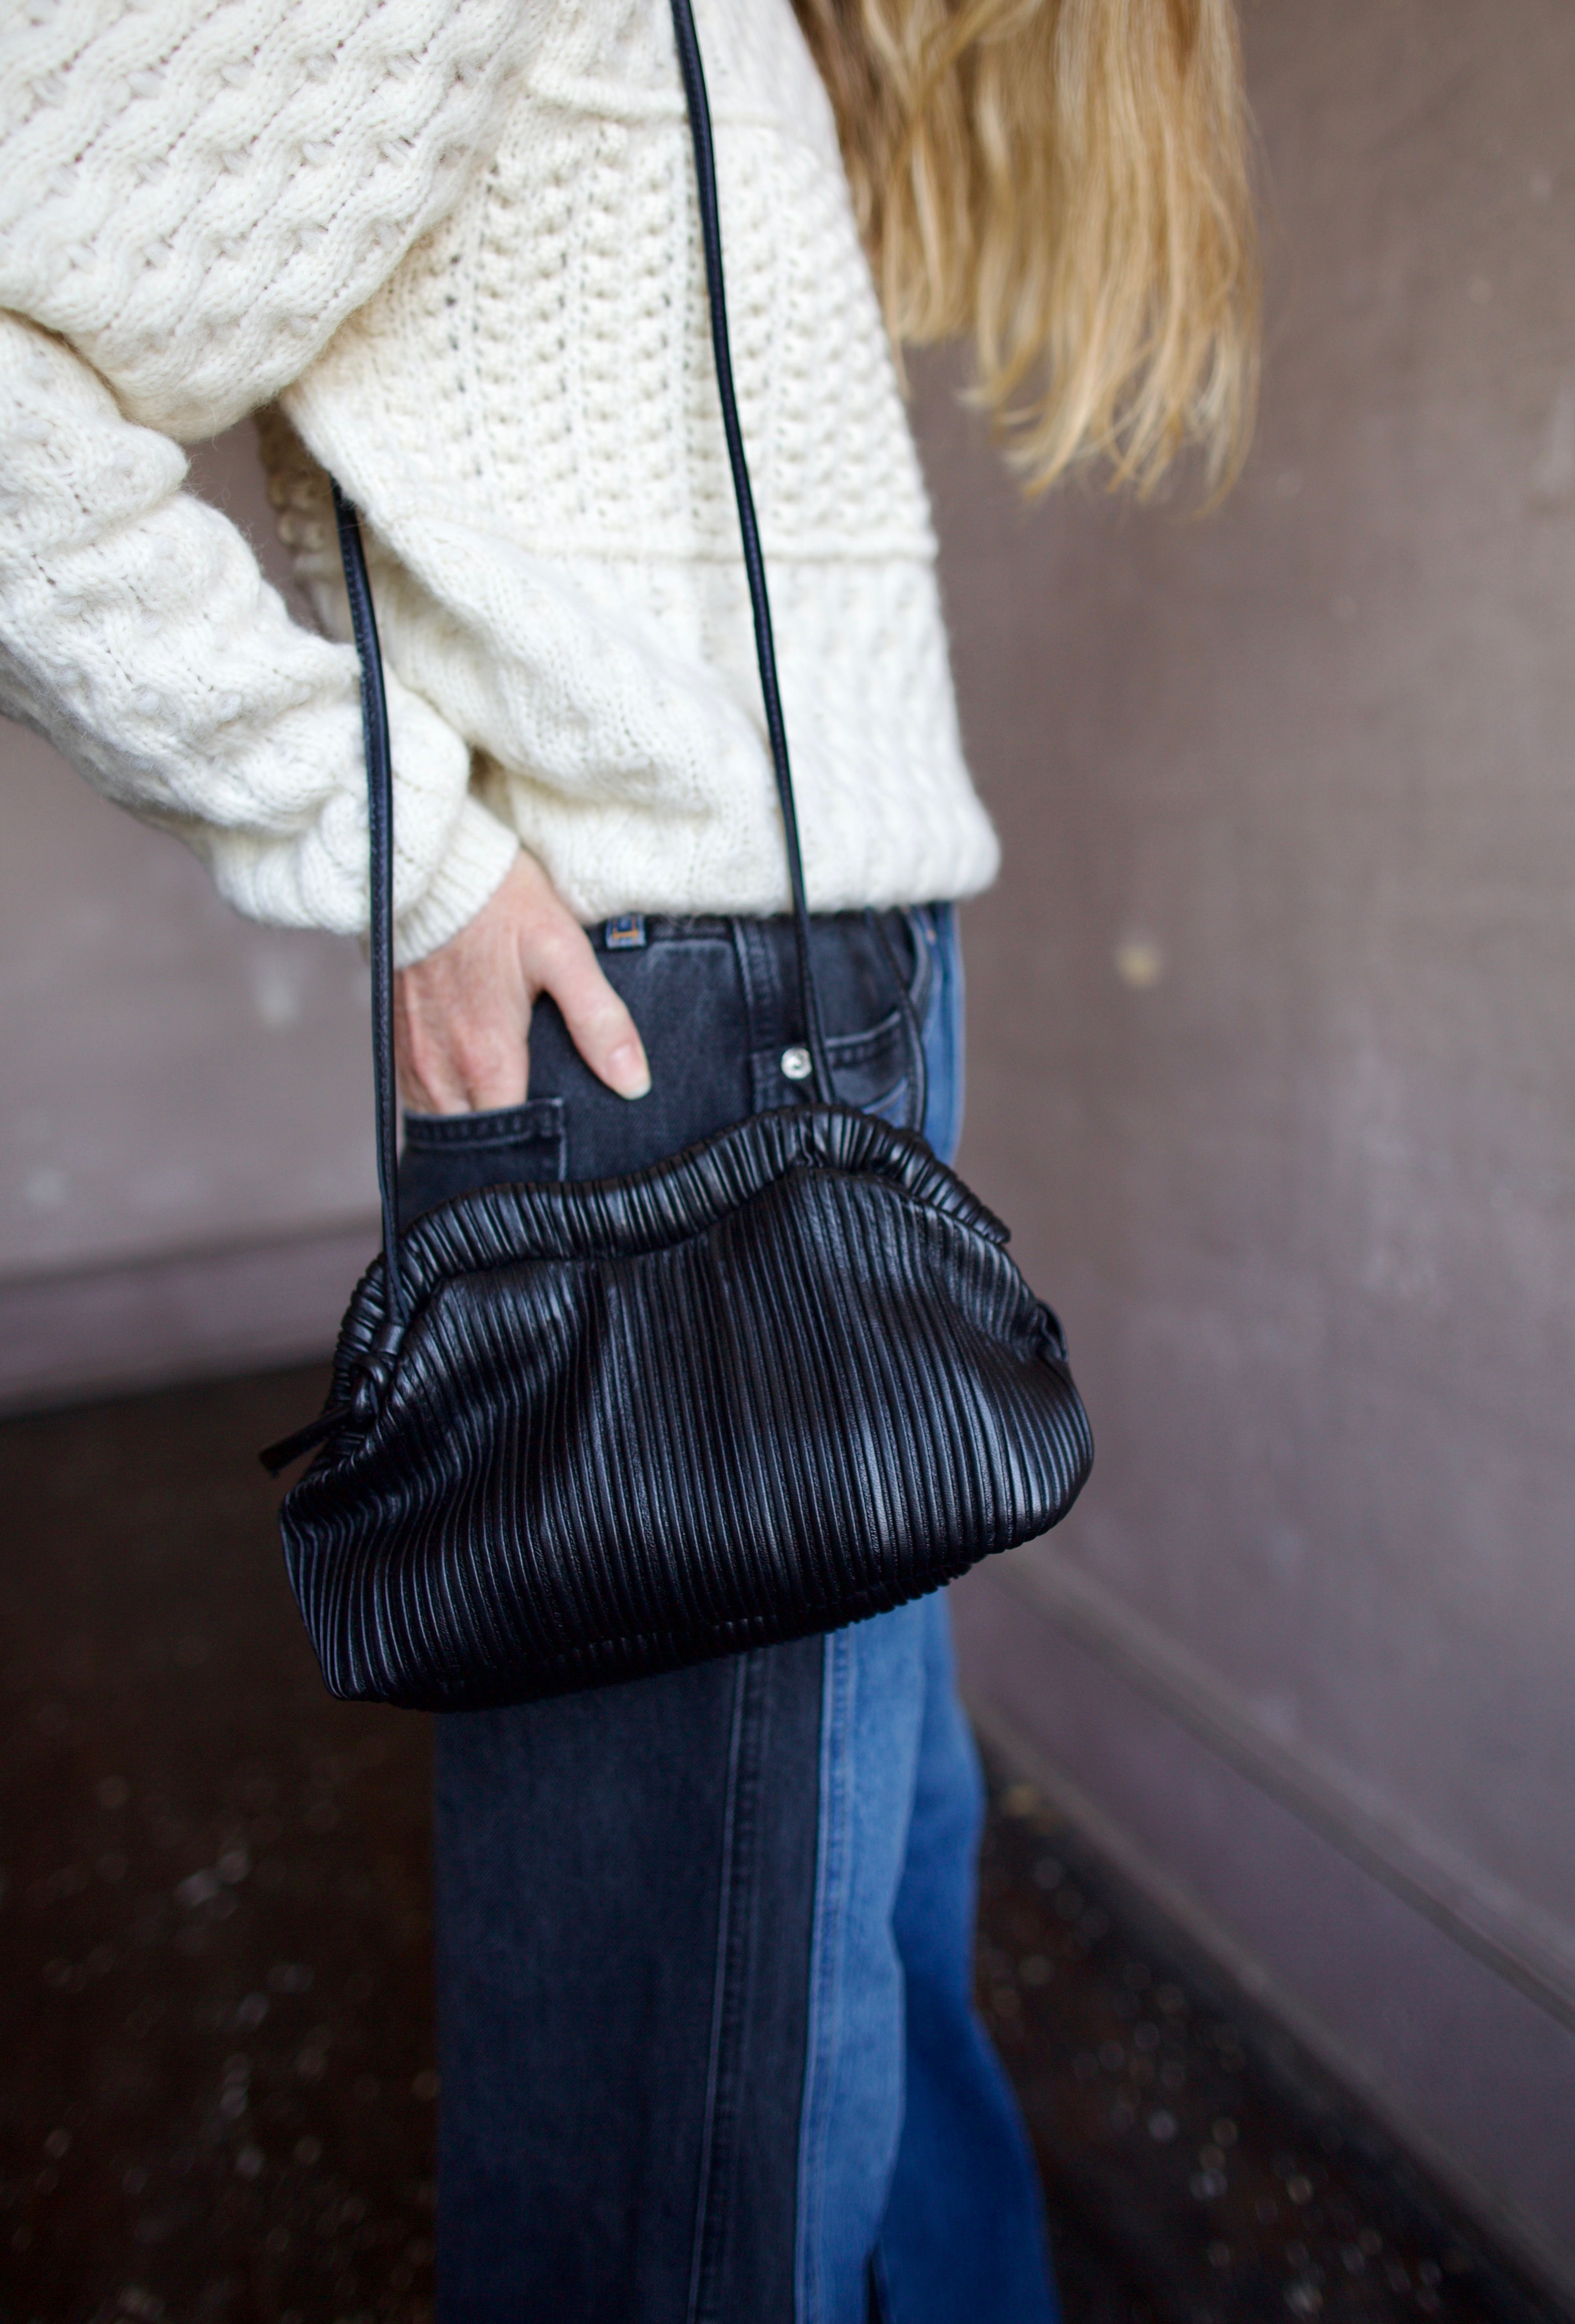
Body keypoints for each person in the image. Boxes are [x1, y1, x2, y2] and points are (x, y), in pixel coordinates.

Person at [0, 0, 1256, 2314]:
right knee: (700, 2096)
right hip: (653, 1033)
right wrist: (388, 851)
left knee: (865, 1918)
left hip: (837, 1002)